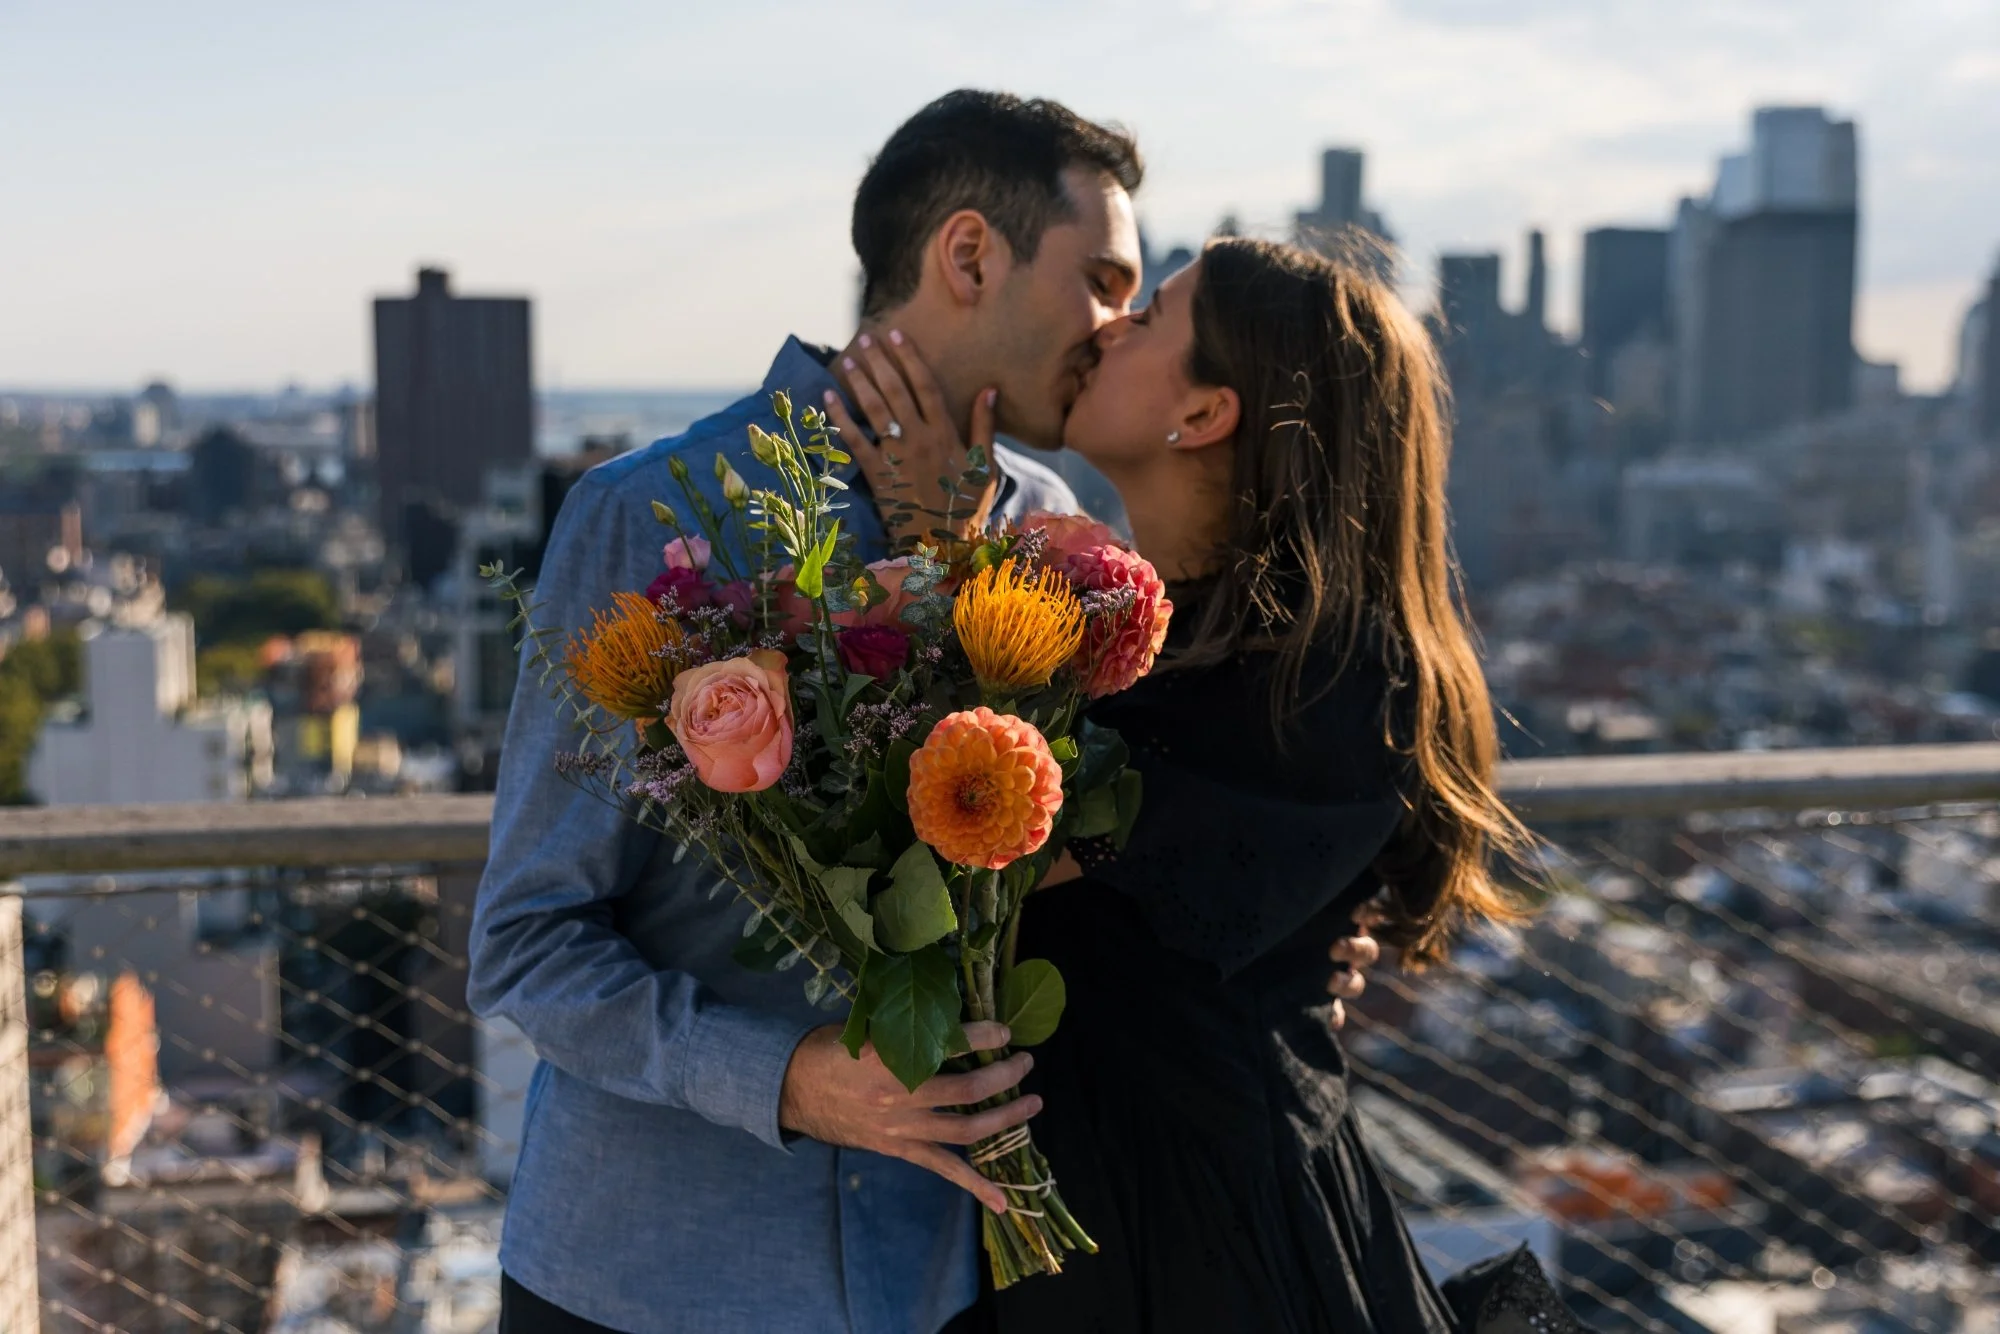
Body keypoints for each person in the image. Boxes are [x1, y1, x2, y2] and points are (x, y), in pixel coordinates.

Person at [470, 92, 1379, 1333]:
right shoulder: (650, 514)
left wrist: (1302, 948)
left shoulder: (1064, 534)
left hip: (943, 1289)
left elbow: (1118, 848)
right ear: (967, 256)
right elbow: (527, 939)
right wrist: (787, 1079)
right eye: (1103, 279)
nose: (1116, 328)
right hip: (651, 1284)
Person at [837, 237, 1579, 1332]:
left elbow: (987, 852)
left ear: (1204, 413)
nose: (1108, 326)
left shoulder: (1322, 677)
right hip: (1098, 1226)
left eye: (1148, 319)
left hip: (1213, 1246)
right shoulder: (1152, 636)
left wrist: (942, 544)